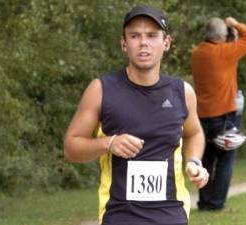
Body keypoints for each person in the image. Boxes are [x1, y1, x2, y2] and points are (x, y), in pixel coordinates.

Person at [63, 5, 209, 225]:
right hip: (120, 216)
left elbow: (194, 133)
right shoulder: (101, 90)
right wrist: (108, 143)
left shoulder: (182, 92)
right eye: (134, 36)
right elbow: (71, 148)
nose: (143, 43)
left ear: (166, 43)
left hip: (171, 216)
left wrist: (194, 161)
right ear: (124, 43)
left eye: (152, 36)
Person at [191, 16, 246, 210]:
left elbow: (219, 52)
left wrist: (228, 34)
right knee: (225, 161)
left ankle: (204, 201)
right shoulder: (225, 52)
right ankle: (216, 203)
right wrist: (235, 23)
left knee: (206, 160)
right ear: (222, 36)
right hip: (226, 116)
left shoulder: (197, 53)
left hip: (203, 115)